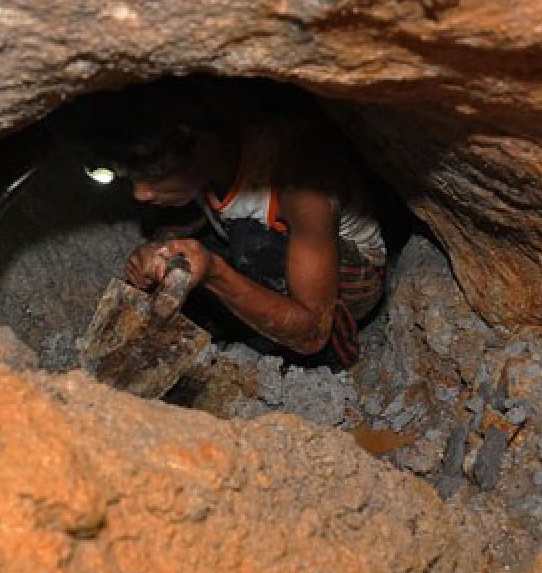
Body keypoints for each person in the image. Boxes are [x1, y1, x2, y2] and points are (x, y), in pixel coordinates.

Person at [86, 82, 386, 368]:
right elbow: (183, 226)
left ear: (202, 147)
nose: (140, 193)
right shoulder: (209, 159)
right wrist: (157, 253)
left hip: (349, 279)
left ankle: (334, 355)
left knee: (251, 244)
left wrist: (215, 273)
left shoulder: (303, 184)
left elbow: (312, 333)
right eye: (133, 178)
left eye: (151, 176)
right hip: (251, 238)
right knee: (210, 254)